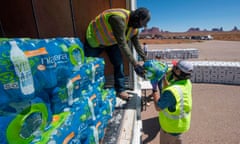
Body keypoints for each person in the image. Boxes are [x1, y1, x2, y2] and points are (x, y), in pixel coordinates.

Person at [84, 7, 151, 100]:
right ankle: (85, 89)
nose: (142, 26)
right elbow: (123, 44)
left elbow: (137, 45)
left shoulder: (134, 29)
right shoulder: (119, 18)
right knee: (88, 65)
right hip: (95, 39)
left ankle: (120, 90)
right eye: (143, 23)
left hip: (111, 42)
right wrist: (135, 64)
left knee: (119, 64)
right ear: (137, 18)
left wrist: (146, 60)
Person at [151, 60, 193, 144]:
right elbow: (170, 87)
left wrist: (154, 88)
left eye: (174, 67)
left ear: (178, 71)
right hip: (180, 125)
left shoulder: (172, 92)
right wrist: (164, 78)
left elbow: (158, 107)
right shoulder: (186, 82)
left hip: (170, 129)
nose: (171, 68)